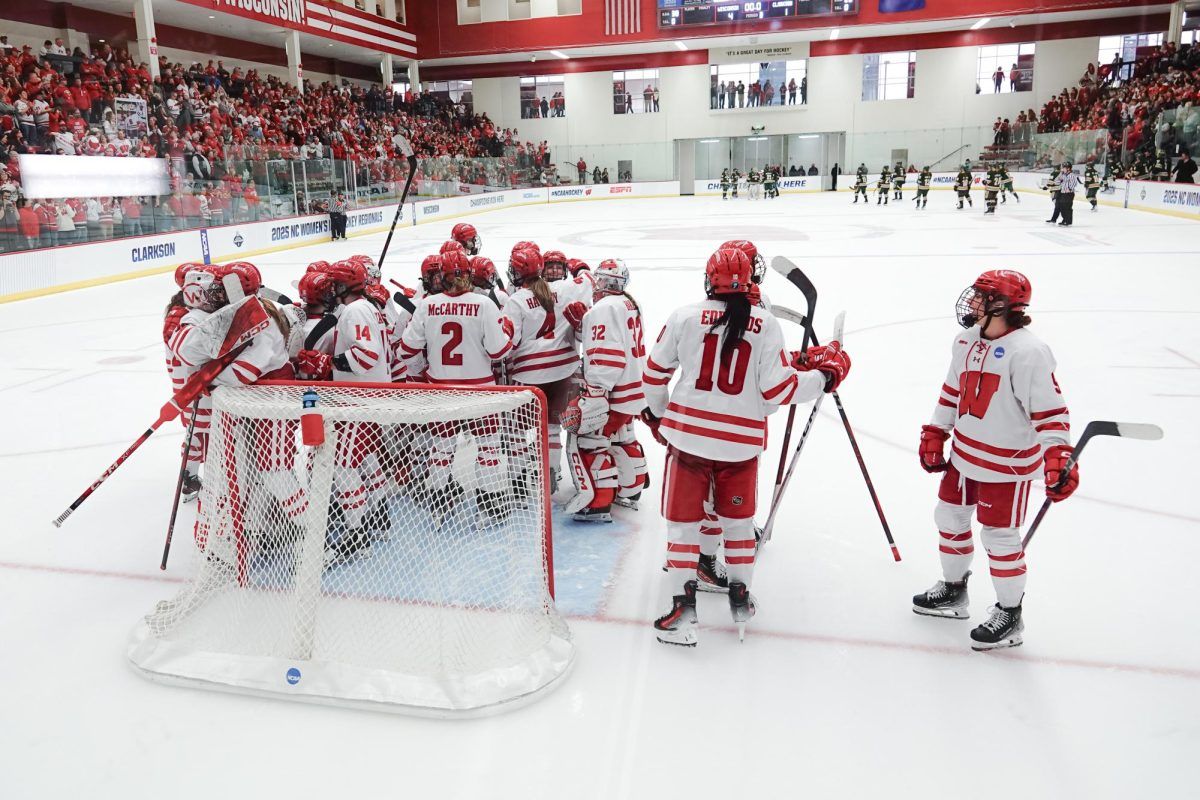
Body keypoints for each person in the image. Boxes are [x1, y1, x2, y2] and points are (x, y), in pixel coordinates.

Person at [641, 247, 851, 646]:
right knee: (737, 526)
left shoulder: (684, 316)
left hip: (688, 441)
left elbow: (653, 376)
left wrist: (661, 417)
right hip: (740, 445)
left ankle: (683, 611)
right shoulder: (765, 323)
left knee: (684, 526)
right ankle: (740, 599)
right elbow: (778, 391)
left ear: (709, 280)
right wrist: (825, 376)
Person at [913, 270, 1075, 650]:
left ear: (1000, 305)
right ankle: (954, 590)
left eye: (980, 297)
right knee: (948, 517)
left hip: (1007, 466)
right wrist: (937, 430)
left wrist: (1058, 455)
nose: (971, 302)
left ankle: (1010, 614)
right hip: (964, 455)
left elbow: (1051, 414)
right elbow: (952, 391)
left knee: (999, 537)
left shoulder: (1029, 352)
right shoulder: (966, 340)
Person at [400, 250, 515, 520]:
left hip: (441, 390)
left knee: (442, 448)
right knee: (488, 448)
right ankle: (489, 505)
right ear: (469, 274)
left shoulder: (427, 305)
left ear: (442, 276)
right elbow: (499, 351)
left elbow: (406, 349)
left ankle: (439, 501)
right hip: (480, 391)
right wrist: (507, 331)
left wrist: (426, 367)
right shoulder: (484, 304)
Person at [562, 259, 648, 521]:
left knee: (589, 440)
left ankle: (597, 502)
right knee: (623, 436)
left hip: (613, 393)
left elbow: (606, 354)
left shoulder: (603, 309)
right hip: (634, 389)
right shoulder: (629, 302)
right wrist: (583, 327)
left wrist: (594, 394)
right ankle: (630, 489)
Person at [500, 245, 586, 491]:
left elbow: (509, 343)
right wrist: (580, 267)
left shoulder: (516, 301)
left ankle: (518, 483)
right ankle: (551, 476)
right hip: (564, 373)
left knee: (517, 431)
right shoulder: (567, 289)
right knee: (552, 429)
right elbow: (589, 280)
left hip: (529, 376)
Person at [1052, 162, 1078, 227]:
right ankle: (1065, 220)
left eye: (1064, 168)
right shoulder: (1062, 174)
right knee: (1062, 207)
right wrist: (1060, 179)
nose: (1062, 169)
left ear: (1068, 168)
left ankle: (1068, 221)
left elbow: (1074, 183)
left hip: (1069, 194)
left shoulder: (1072, 175)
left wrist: (1069, 188)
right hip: (1063, 193)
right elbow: (1056, 181)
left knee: (1067, 207)